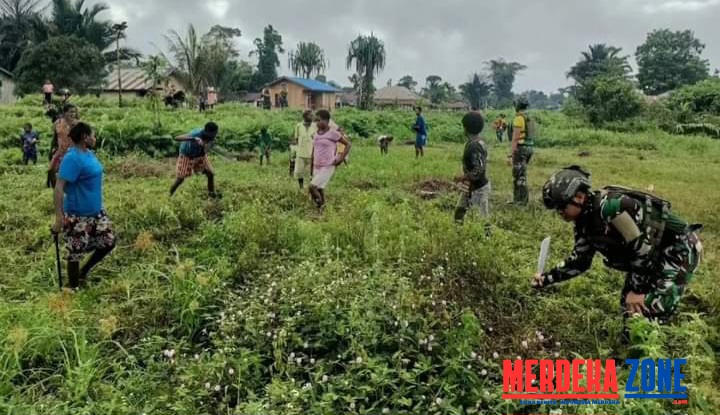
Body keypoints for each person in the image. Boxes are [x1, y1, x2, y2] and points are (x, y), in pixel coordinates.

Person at [533, 166, 703, 338]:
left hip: (679, 248)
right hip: (651, 254)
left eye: (562, 207)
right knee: (628, 304)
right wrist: (547, 278)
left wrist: (637, 292)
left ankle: (651, 354)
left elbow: (643, 251)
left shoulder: (613, 207)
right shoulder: (584, 221)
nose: (560, 213)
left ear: (579, 197)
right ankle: (631, 343)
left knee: (651, 304)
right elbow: (580, 260)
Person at [51, 122, 116, 290]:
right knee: (75, 253)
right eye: (93, 135)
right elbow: (59, 187)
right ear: (85, 137)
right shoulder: (72, 158)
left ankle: (83, 273)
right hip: (77, 213)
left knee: (109, 242)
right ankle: (72, 288)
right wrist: (59, 218)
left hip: (96, 212)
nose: (95, 138)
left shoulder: (88, 154)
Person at [454, 112, 491, 228]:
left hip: (478, 188)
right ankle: (458, 234)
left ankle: (487, 238)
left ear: (466, 128)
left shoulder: (475, 146)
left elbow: (478, 170)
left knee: (482, 218)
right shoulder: (478, 142)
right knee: (459, 212)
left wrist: (463, 177)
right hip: (470, 186)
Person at [309, 110, 351, 210]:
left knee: (312, 187)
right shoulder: (316, 134)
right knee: (320, 188)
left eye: (319, 120)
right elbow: (314, 150)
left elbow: (348, 144)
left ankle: (319, 208)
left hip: (328, 165)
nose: (317, 123)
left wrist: (341, 158)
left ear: (327, 121)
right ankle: (323, 207)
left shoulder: (333, 133)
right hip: (316, 165)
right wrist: (311, 165)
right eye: (316, 121)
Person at [170, 122, 219, 198]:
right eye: (213, 134)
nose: (214, 136)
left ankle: (212, 195)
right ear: (207, 132)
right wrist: (193, 139)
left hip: (199, 154)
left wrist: (205, 146)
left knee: (210, 174)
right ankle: (169, 195)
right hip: (187, 154)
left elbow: (205, 150)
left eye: (215, 134)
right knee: (180, 178)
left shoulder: (212, 137)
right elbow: (177, 138)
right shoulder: (196, 134)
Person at [510, 97, 536, 206]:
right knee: (522, 174)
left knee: (518, 176)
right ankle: (521, 200)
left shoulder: (518, 119)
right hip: (529, 148)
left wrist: (510, 154)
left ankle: (520, 201)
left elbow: (515, 138)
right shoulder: (529, 118)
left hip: (521, 148)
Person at [48, 103, 79, 188]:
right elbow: (55, 137)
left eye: (74, 112)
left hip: (74, 153)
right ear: (64, 113)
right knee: (51, 170)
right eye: (71, 112)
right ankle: (56, 190)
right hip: (60, 151)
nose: (73, 114)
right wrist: (52, 150)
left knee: (72, 173)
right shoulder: (57, 123)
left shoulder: (78, 124)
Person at [293, 110, 317, 189]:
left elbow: (317, 139)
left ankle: (310, 188)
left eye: (312, 115)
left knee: (311, 173)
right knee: (299, 172)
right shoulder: (298, 126)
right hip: (300, 153)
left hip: (312, 154)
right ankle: (301, 187)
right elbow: (296, 139)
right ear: (305, 116)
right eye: (310, 115)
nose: (312, 117)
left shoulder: (315, 126)